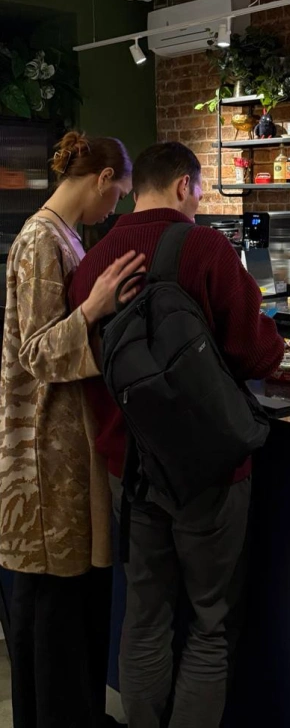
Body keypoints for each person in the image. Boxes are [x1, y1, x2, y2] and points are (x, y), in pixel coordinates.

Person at [69, 141, 285, 728]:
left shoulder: (93, 262)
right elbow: (256, 354)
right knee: (210, 622)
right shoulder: (206, 248)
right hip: (209, 470)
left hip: (130, 469)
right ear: (184, 185)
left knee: (145, 617)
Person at [0, 130, 145, 728]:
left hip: (63, 450)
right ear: (103, 178)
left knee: (67, 605)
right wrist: (94, 307)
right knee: (52, 610)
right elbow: (35, 351)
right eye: (119, 194)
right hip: (43, 454)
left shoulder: (62, 235)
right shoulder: (41, 239)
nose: (115, 208)